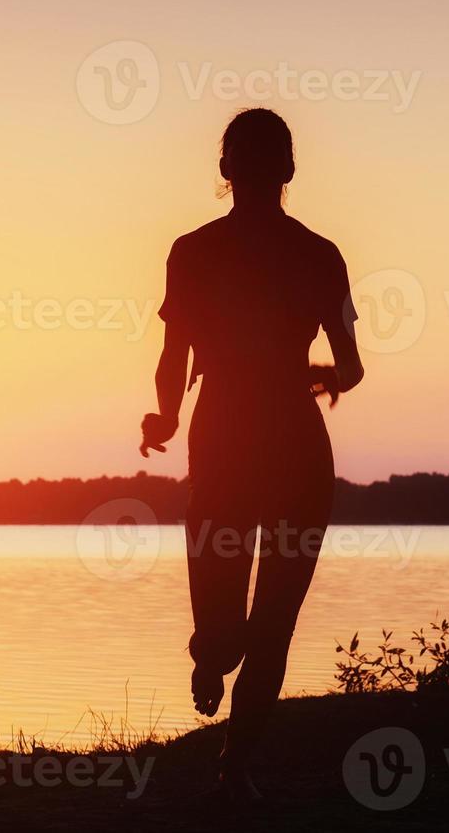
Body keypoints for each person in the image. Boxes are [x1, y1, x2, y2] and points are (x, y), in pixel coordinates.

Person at [140, 108, 364, 801]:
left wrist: (168, 416)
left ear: (232, 168)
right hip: (253, 436)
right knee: (249, 618)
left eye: (257, 158)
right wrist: (170, 414)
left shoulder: (297, 254)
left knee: (256, 607)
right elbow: (349, 368)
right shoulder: (213, 251)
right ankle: (218, 680)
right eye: (254, 157)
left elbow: (349, 364)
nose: (257, 170)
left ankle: (231, 745)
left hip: (262, 437)